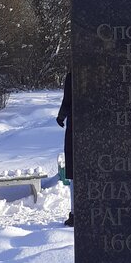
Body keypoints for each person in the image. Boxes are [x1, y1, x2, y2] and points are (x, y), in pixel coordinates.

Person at [56, 72, 74, 227]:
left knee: (75, 173)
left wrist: (61, 116)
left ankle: (75, 212)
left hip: (76, 128)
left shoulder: (73, 74)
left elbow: (68, 101)